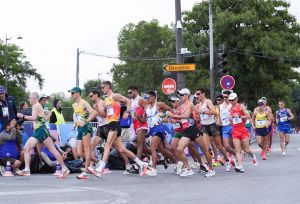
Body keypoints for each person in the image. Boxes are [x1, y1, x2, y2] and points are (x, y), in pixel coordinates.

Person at [95, 81, 148, 176]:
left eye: (103, 87)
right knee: (122, 149)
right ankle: (141, 163)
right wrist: (97, 109)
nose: (102, 89)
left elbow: (129, 101)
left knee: (107, 145)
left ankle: (100, 168)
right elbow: (104, 115)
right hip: (110, 123)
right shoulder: (106, 99)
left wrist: (127, 112)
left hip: (115, 123)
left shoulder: (114, 96)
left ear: (108, 87)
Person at [16, 92, 70, 177]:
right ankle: (64, 168)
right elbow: (48, 114)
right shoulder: (39, 106)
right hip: (41, 130)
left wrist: (23, 116)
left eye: (29, 98)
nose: (29, 99)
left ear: (34, 98)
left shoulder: (35, 105)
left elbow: (34, 118)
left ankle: (27, 169)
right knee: (51, 150)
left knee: (27, 149)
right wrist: (43, 120)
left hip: (40, 131)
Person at [195, 88, 231, 172]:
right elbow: (199, 116)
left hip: (212, 126)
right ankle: (210, 168)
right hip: (204, 127)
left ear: (203, 94)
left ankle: (227, 161)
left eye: (199, 93)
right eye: (196, 94)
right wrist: (197, 117)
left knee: (220, 146)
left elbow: (214, 112)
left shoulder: (208, 101)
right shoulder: (199, 105)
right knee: (206, 148)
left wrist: (203, 112)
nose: (197, 95)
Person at [141, 90, 175, 176]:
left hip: (158, 128)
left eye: (148, 97)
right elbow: (143, 120)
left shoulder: (158, 104)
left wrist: (169, 116)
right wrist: (137, 116)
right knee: (163, 150)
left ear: (153, 97)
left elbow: (169, 109)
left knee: (152, 148)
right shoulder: (146, 107)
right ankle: (178, 163)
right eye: (146, 97)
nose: (147, 99)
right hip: (152, 129)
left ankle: (154, 170)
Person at [69, 87, 98, 179]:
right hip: (79, 129)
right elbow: (76, 116)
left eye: (73, 93)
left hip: (86, 127)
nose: (71, 95)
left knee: (87, 149)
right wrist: (75, 123)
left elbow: (94, 113)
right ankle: (98, 162)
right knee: (79, 152)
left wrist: (85, 121)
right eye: (71, 93)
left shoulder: (84, 102)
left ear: (78, 93)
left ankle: (86, 171)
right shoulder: (74, 105)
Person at [229, 93, 257, 172]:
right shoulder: (230, 109)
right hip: (235, 130)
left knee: (247, 150)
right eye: (230, 100)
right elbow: (231, 120)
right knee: (237, 150)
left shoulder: (241, 106)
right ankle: (240, 166)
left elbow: (248, 116)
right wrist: (231, 120)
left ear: (236, 99)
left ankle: (253, 156)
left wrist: (240, 116)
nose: (231, 101)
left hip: (243, 130)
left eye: (233, 100)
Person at [127, 86, 148, 160]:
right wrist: (128, 114)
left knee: (139, 144)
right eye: (128, 93)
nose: (129, 94)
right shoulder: (131, 101)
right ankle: (159, 156)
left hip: (142, 124)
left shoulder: (140, 99)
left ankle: (138, 164)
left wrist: (142, 117)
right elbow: (132, 113)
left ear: (135, 91)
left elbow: (147, 108)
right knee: (144, 148)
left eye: (130, 92)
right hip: (135, 125)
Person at [219, 90, 237, 171]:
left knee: (233, 145)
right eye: (223, 97)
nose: (224, 98)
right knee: (226, 146)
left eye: (226, 97)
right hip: (224, 127)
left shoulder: (232, 105)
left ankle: (234, 161)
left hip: (232, 127)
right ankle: (235, 157)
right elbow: (219, 116)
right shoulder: (220, 106)